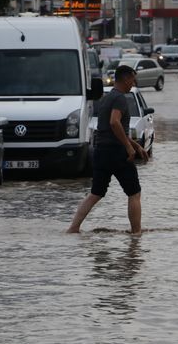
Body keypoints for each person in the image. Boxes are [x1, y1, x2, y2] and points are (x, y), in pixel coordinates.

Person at [67, 65, 149, 235]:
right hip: (116, 152)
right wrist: (128, 148)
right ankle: (136, 233)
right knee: (134, 193)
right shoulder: (120, 98)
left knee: (95, 193)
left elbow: (114, 129)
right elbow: (114, 122)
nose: (133, 83)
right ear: (126, 79)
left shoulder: (107, 98)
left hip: (100, 151)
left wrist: (136, 145)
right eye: (132, 79)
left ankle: (73, 228)